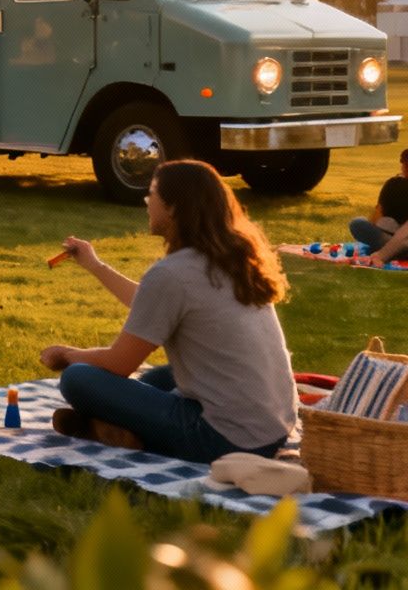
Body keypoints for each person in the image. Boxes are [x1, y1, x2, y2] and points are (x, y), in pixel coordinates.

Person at [40, 159, 298, 463]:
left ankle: (110, 424)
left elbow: (119, 363)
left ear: (174, 208)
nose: (147, 203)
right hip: (272, 430)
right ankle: (107, 427)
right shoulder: (231, 261)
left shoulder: (171, 274)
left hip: (224, 441)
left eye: (153, 194)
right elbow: (154, 306)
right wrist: (96, 266)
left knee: (80, 378)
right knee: (167, 375)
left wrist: (68, 356)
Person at [350, 147, 408, 265]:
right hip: (398, 240)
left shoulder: (394, 184)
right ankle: (393, 249)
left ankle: (393, 249)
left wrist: (381, 255)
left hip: (398, 242)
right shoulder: (395, 184)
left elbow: (376, 218)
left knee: (358, 223)